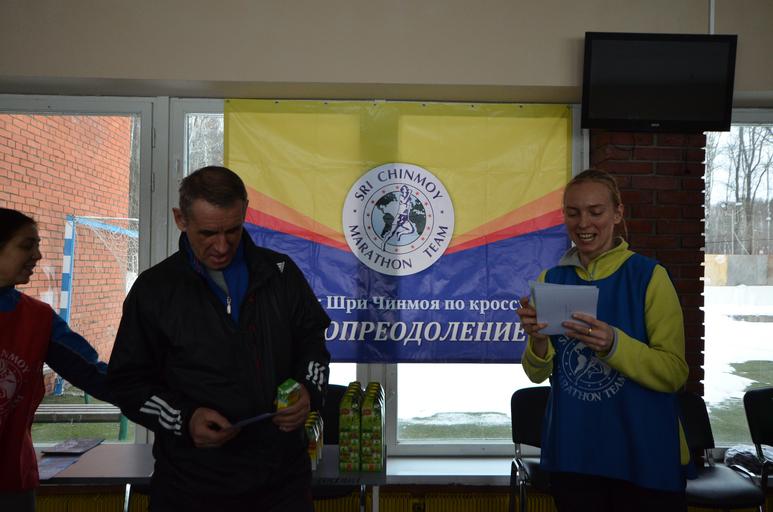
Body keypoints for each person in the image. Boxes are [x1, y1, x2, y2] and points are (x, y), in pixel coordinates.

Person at [107, 166, 331, 511]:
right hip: (190, 486)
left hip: (282, 483)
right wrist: (186, 419)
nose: (222, 246)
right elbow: (127, 383)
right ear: (181, 219)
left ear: (244, 213)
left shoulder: (281, 273)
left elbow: (313, 343)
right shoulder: (154, 290)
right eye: (208, 233)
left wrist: (307, 390)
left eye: (233, 230)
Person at [516, 169, 690, 512]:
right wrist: (537, 340)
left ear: (617, 213)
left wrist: (613, 344)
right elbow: (537, 374)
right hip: (575, 455)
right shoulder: (551, 279)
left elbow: (674, 373)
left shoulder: (649, 277)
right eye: (573, 212)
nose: (584, 223)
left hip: (643, 452)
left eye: (595, 211)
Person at [0, 208, 112, 512]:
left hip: (9, 480)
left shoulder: (37, 318)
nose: (37, 256)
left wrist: (167, 397)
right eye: (27, 246)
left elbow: (94, 374)